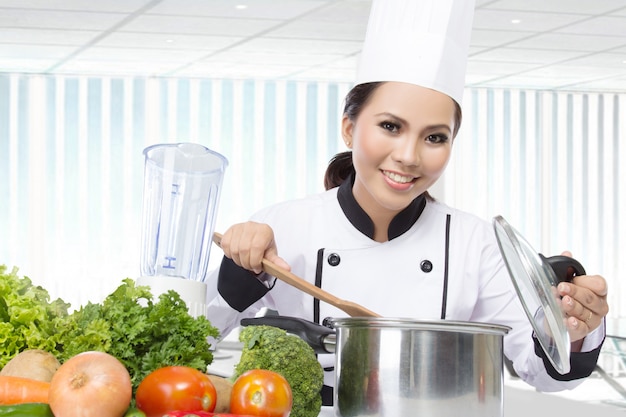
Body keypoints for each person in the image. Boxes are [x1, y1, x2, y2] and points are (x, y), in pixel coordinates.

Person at [205, 0, 608, 405]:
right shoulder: (283, 226)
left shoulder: (476, 242)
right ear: (349, 128)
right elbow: (193, 338)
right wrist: (240, 271)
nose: (409, 156)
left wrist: (575, 329)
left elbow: (545, 374)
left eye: (435, 137)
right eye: (390, 126)